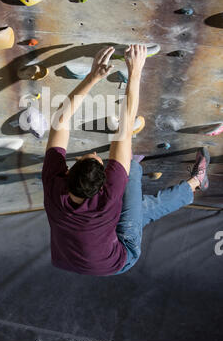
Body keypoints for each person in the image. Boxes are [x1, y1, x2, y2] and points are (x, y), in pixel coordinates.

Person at [41, 45, 210, 276]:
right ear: (104, 186)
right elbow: (125, 123)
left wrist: (93, 78)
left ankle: (191, 184)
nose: (97, 155)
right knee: (131, 178)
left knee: (141, 208)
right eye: (101, 160)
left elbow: (64, 121)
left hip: (74, 257)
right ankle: (193, 181)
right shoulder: (97, 193)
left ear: (67, 174)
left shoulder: (63, 185)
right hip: (118, 258)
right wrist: (135, 70)